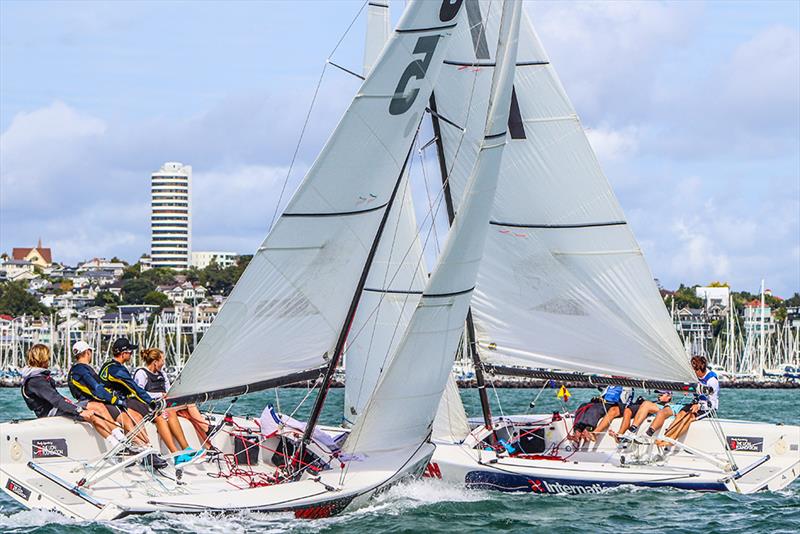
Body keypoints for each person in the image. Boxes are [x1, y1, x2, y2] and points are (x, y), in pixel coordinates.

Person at [100, 338, 200, 466]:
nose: (131, 354)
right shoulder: (117, 370)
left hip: (120, 401)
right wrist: (152, 403)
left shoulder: (109, 365)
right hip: (119, 403)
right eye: (130, 351)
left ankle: (181, 452)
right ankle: (168, 453)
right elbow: (136, 389)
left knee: (165, 413)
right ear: (123, 353)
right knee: (158, 415)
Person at [21, 344, 126, 453]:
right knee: (92, 413)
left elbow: (57, 399)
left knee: (97, 406)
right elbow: (56, 400)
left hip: (57, 409)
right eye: (48, 357)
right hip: (51, 413)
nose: (49, 360)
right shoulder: (36, 381)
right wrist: (79, 411)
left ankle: (121, 438)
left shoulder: (38, 377)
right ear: (42, 358)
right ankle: (117, 445)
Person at [68, 340, 148, 446]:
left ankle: (144, 446)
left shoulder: (81, 369)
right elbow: (97, 389)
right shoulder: (80, 370)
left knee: (126, 418)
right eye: (90, 351)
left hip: (97, 402)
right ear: (87, 352)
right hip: (90, 403)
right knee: (111, 411)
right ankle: (121, 442)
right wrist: (115, 400)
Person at [134, 348, 209, 452]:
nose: (164, 363)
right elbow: (138, 393)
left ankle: (207, 432)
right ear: (155, 362)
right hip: (152, 405)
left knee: (189, 403)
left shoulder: (162, 374)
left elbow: (169, 391)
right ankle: (203, 433)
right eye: (162, 360)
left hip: (166, 403)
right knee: (174, 412)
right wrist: (160, 394)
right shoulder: (141, 373)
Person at [657, 356, 720, 445]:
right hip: (695, 403)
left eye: (693, 370)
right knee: (680, 414)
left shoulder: (712, 380)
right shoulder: (695, 377)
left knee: (688, 418)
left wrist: (699, 406)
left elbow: (712, 404)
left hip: (707, 408)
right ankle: (665, 436)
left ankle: (672, 440)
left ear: (698, 370)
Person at [619, 390, 687, 443]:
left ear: (669, 396)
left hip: (668, 410)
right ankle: (630, 430)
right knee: (642, 405)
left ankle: (634, 431)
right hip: (660, 409)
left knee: (646, 404)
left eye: (661, 395)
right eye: (658, 394)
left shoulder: (674, 406)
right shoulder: (656, 404)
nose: (658, 396)